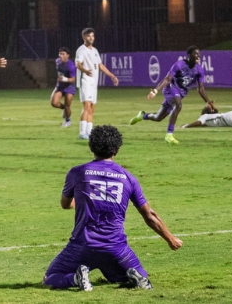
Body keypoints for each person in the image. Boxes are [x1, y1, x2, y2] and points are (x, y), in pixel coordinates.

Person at [42, 125, 182, 292]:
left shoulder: (78, 172)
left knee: (50, 277)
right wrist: (170, 239)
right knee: (136, 275)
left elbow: (66, 204)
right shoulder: (128, 178)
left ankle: (76, 278)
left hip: (82, 246)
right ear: (117, 149)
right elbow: (149, 215)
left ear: (91, 147)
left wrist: (78, 200)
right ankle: (135, 277)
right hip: (116, 248)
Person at [129, 46, 213, 144]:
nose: (198, 56)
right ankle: (169, 134)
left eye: (199, 54)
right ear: (189, 55)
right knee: (178, 105)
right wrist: (156, 91)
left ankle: (142, 116)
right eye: (196, 54)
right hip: (170, 89)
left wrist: (208, 101)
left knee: (158, 117)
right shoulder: (179, 65)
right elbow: (167, 79)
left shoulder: (199, 70)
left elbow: (201, 88)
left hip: (180, 94)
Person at [75, 28, 119, 140]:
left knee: (92, 107)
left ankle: (89, 132)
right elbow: (78, 63)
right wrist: (85, 71)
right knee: (86, 106)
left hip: (94, 83)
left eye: (93, 36)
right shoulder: (81, 50)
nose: (91, 38)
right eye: (89, 36)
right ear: (84, 37)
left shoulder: (94, 50)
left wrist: (112, 76)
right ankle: (82, 132)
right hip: (85, 81)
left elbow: (100, 66)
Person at [51, 47, 76, 128]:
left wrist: (65, 79)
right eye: (60, 53)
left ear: (67, 55)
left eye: (63, 54)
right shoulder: (57, 61)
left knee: (67, 105)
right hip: (60, 86)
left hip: (69, 86)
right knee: (54, 103)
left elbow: (74, 79)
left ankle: (67, 121)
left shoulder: (71, 66)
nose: (61, 55)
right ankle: (64, 109)